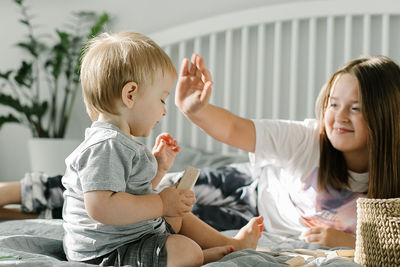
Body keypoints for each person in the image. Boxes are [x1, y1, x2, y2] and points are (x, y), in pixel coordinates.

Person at [59, 31, 263, 267]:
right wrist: (162, 203)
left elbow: (130, 194)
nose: (164, 111)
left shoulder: (121, 142)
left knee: (178, 212)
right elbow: (101, 207)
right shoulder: (106, 145)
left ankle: (231, 245)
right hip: (108, 252)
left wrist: (158, 170)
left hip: (129, 236)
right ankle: (200, 256)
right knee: (183, 247)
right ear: (130, 94)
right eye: (162, 100)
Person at [174, 53, 400, 249]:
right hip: (253, 183)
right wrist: (196, 111)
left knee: (174, 223)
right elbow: (235, 129)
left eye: (355, 108)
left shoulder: (392, 182)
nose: (339, 116)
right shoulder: (308, 138)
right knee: (163, 190)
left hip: (256, 224)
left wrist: (351, 242)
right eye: (333, 104)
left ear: (387, 116)